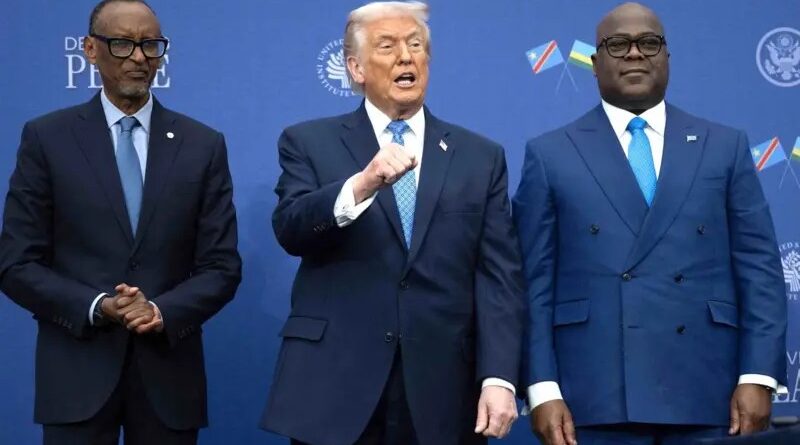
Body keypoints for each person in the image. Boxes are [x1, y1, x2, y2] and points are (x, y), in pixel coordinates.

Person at [512, 3, 787, 445]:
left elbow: (760, 271)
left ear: (668, 57)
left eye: (649, 42)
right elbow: (532, 284)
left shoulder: (724, 146)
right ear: (594, 62)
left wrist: (758, 376)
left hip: (709, 391)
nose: (635, 53)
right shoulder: (550, 154)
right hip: (593, 395)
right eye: (618, 44)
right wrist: (542, 388)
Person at [260, 2, 524, 444]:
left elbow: (500, 277)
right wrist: (361, 185)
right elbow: (291, 228)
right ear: (355, 68)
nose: (406, 56)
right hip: (334, 387)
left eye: (415, 45)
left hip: (444, 391)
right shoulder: (307, 141)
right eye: (387, 46)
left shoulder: (481, 157)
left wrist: (499, 377)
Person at [0, 0, 241, 443]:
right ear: (90, 50)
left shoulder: (202, 144)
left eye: (150, 44)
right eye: (122, 44)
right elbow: (16, 263)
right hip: (76, 375)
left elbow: (222, 267)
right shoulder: (47, 138)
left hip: (169, 379)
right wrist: (97, 305)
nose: (139, 57)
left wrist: (159, 311)